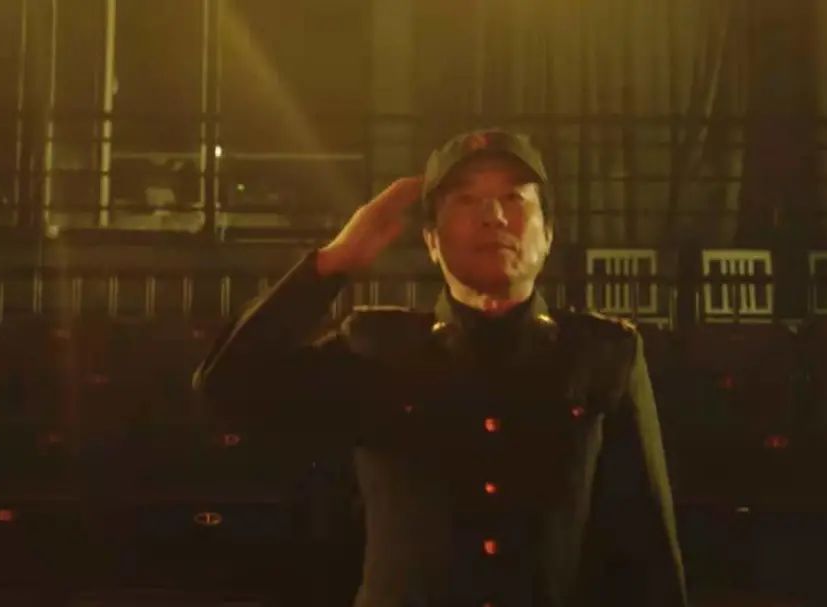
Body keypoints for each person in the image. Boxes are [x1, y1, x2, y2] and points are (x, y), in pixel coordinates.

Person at [193, 128, 687, 606]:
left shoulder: (600, 354)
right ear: (431, 240)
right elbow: (227, 389)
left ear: (549, 234)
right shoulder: (378, 349)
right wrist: (333, 263)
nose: (493, 216)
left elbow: (648, 551)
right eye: (466, 200)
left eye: (514, 198)